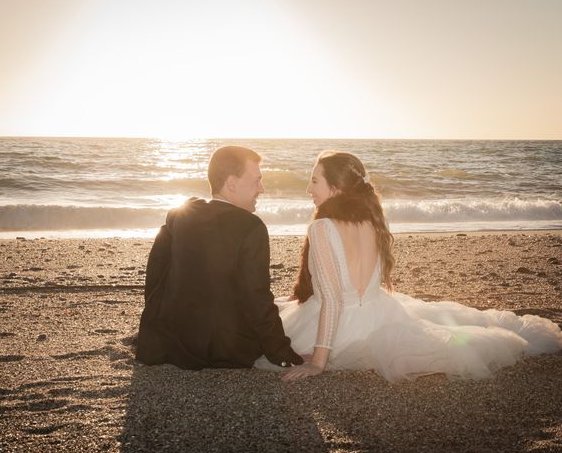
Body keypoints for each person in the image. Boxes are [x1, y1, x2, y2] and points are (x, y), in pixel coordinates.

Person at [255, 150, 562, 381]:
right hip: (380, 315)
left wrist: (318, 361)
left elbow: (333, 300)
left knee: (259, 342)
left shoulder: (322, 228)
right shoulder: (372, 221)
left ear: (336, 188)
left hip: (340, 330)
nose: (309, 189)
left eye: (314, 180)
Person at [136, 146, 303, 369]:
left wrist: (153, 330)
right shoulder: (251, 227)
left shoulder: (179, 215)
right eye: (256, 181)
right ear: (231, 184)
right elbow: (257, 297)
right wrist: (282, 353)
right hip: (224, 350)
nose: (261, 188)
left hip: (171, 343)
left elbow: (156, 272)